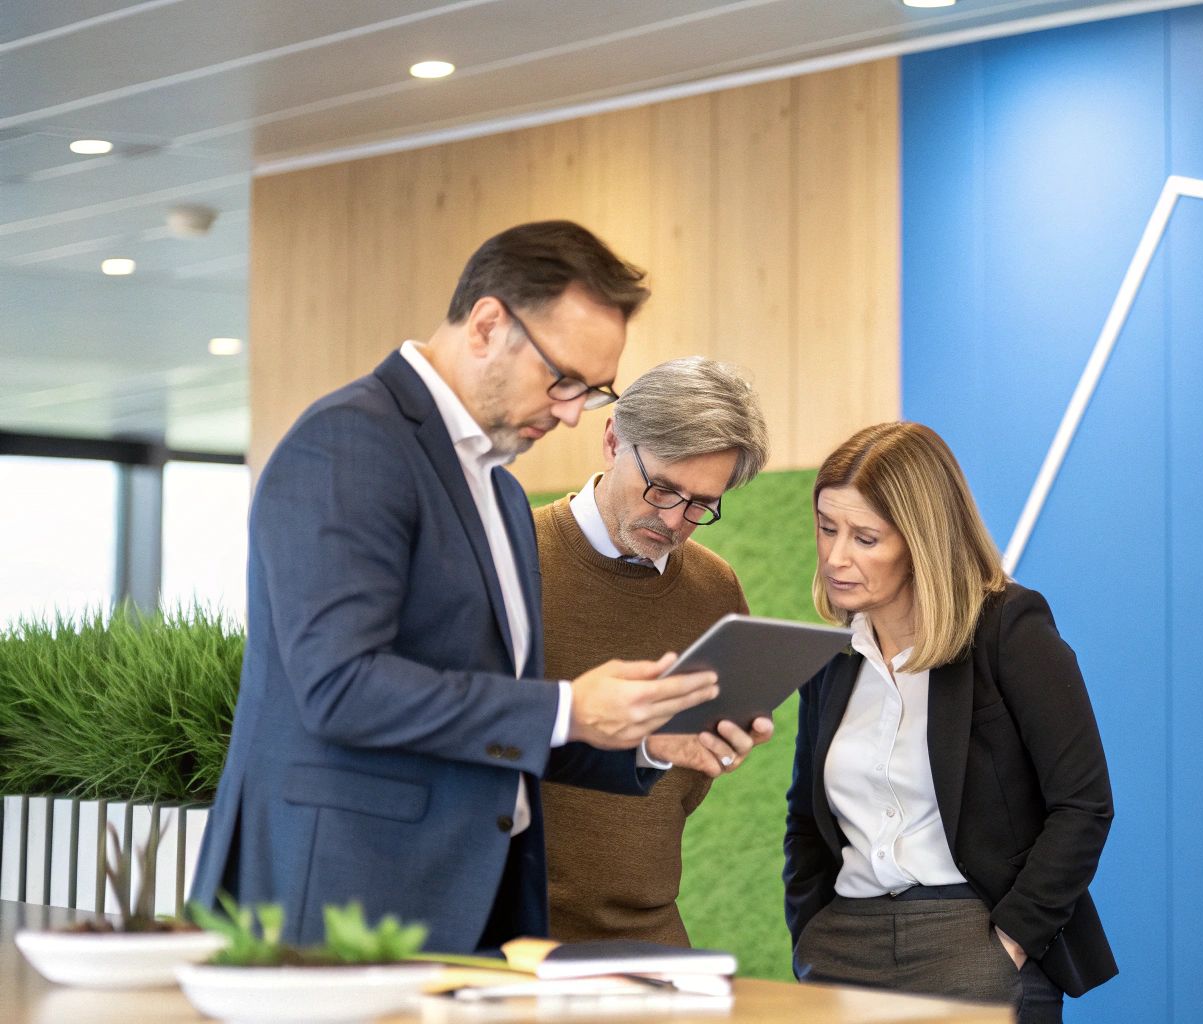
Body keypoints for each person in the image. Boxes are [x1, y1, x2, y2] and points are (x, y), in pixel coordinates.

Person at [190, 221, 755, 953]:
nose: (569, 410)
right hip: (342, 901)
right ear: (488, 325)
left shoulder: (500, 492)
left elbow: (490, 725)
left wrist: (643, 740)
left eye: (592, 389)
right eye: (564, 380)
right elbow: (338, 687)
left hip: (468, 907)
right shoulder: (348, 442)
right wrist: (566, 705)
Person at [784, 422, 1118, 1023]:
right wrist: (810, 933)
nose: (836, 557)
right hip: (841, 949)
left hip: (973, 940)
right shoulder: (832, 658)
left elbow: (1083, 804)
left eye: (865, 537)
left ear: (922, 541)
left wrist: (1010, 943)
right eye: (827, 528)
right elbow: (805, 820)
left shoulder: (1009, 629)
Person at [535, 356, 773, 945]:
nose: (672, 519)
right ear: (613, 437)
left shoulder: (716, 590)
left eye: (700, 505)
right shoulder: (508, 556)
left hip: (651, 928)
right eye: (662, 488)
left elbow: (684, 782)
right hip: (514, 930)